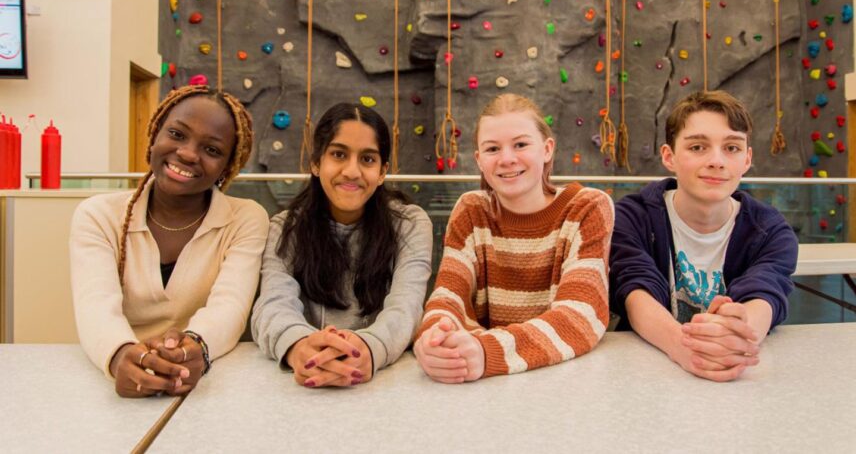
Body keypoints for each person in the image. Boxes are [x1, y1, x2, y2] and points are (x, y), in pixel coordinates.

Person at [69, 85, 269, 397]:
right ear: (154, 135)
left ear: (227, 167)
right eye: (177, 134)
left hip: (209, 383)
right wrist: (121, 355)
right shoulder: (98, 215)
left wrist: (194, 348)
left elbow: (230, 306)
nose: (188, 153)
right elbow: (95, 307)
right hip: (112, 381)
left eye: (212, 150)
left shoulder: (246, 219)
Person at [414, 94, 614, 383]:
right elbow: (448, 296)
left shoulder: (587, 207)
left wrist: (486, 350)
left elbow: (581, 316)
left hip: (562, 379)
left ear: (547, 149)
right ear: (480, 161)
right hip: (487, 384)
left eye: (520, 144)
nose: (507, 159)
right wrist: (435, 337)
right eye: (493, 149)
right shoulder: (471, 210)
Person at [609, 90, 797, 382]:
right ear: (669, 156)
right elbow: (634, 289)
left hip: (735, 378)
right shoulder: (632, 218)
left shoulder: (771, 231)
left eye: (732, 148)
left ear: (747, 159)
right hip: (647, 376)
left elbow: (766, 293)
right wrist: (684, 348)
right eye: (698, 147)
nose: (717, 161)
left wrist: (738, 333)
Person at [252, 103, 432, 388]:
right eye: (338, 155)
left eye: (368, 159)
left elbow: (407, 306)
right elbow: (273, 303)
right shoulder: (285, 227)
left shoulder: (410, 223)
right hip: (304, 388)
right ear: (315, 163)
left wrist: (368, 348)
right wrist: (300, 347)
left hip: (383, 384)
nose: (352, 171)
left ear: (383, 171)